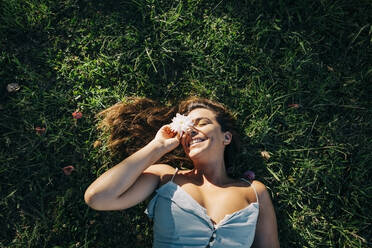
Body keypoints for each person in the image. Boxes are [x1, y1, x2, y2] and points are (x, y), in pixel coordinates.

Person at [84, 97, 279, 248]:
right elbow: (98, 198)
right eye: (187, 127)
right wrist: (157, 146)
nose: (192, 130)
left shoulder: (254, 191)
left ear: (226, 137)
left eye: (202, 123)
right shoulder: (166, 177)